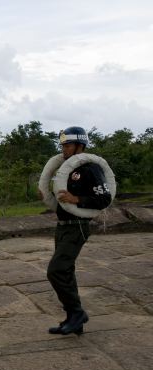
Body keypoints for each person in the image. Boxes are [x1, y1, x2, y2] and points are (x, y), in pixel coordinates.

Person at [42, 126, 111, 335]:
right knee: (67, 272)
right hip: (62, 226)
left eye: (68, 145)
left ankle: (77, 313)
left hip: (77, 227)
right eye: (62, 145)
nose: (64, 149)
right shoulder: (66, 168)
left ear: (80, 146)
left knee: (56, 271)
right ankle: (74, 320)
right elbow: (61, 195)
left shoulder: (90, 168)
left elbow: (104, 199)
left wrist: (77, 199)